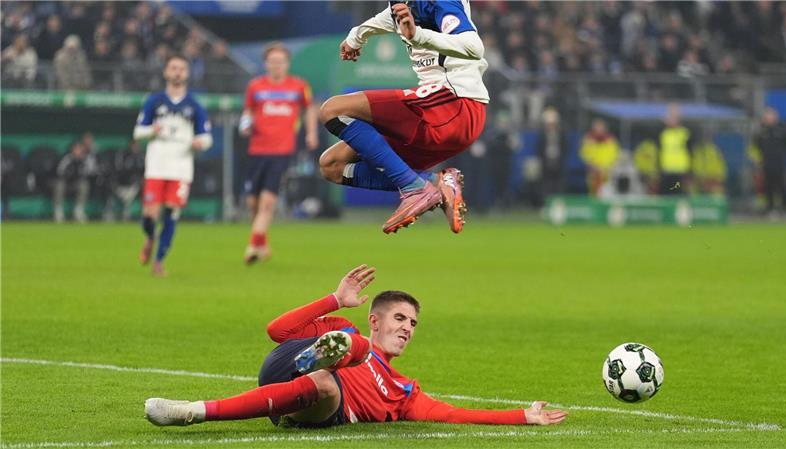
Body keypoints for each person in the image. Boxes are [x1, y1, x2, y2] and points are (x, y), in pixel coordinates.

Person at [145, 265, 568, 428]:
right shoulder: (342, 324)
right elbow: (276, 331)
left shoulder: (404, 393)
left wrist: (523, 417)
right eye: (400, 319)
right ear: (376, 318)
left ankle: (193, 411)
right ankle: (323, 357)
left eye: (413, 323)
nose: (407, 329)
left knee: (328, 383)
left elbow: (455, 414)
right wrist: (333, 299)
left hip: (318, 402)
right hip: (281, 366)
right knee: (348, 343)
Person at [317, 1, 489, 234]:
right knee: (332, 166)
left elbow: (474, 47)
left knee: (332, 110)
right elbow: (386, 18)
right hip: (445, 119)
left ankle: (415, 188)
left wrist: (417, 35)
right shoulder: (402, 4)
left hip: (455, 102)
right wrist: (356, 37)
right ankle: (436, 183)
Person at [133, 54, 212, 277]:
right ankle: (150, 237)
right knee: (149, 213)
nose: (177, 72)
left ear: (186, 74)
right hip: (157, 165)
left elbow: (206, 137)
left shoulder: (194, 105)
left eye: (181, 69)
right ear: (166, 72)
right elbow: (138, 132)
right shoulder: (154, 101)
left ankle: (159, 261)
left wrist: (200, 142)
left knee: (171, 212)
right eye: (173, 68)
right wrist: (152, 131)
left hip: (180, 168)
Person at [239, 42, 318, 264]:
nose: (276, 65)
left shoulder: (298, 86)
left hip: (282, 150)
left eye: (280, 61)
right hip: (256, 149)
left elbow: (310, 108)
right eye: (272, 61)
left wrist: (311, 133)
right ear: (266, 63)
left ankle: (252, 246)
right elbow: (248, 111)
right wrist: (245, 124)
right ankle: (262, 244)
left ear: (287, 63)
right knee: (252, 203)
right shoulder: (256, 87)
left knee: (267, 202)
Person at [754, 108, 786, 215]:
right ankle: (770, 208)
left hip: (779, 163)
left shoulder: (781, 130)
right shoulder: (761, 131)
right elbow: (757, 146)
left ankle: (785, 208)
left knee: (782, 186)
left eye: (772, 116)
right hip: (766, 163)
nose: (770, 118)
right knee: (768, 186)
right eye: (768, 116)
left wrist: (781, 156)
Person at [53, 140, 97, 223]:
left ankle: (78, 211)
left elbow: (92, 171)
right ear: (72, 149)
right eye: (75, 148)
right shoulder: (67, 157)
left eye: (79, 149)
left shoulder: (86, 159)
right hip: (66, 183)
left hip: (77, 184)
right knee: (59, 184)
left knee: (84, 184)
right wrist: (70, 170)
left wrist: (81, 164)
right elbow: (59, 171)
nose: (77, 151)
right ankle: (58, 211)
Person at [580, 119, 620, 196]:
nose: (599, 130)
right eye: (597, 128)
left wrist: (611, 167)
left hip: (608, 175)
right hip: (593, 174)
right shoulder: (588, 140)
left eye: (601, 128)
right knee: (593, 194)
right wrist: (592, 165)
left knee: (607, 194)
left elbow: (616, 156)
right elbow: (584, 155)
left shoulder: (611, 141)